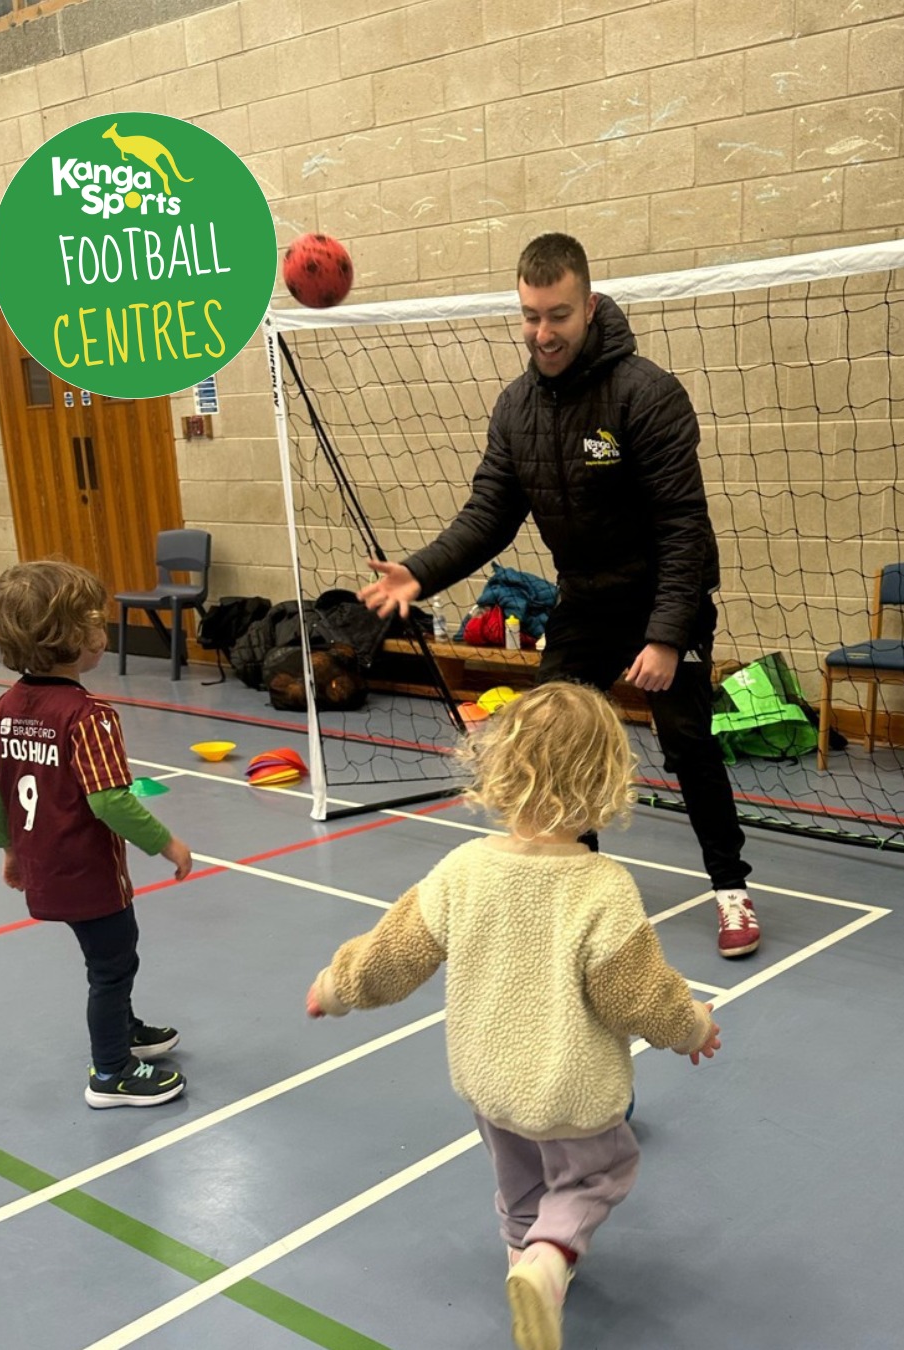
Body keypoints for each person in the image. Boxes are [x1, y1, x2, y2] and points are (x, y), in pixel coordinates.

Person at [358, 231, 759, 958]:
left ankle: (730, 889)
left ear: (590, 306)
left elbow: (683, 527)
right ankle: (581, 890)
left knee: (689, 745)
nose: (542, 333)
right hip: (585, 602)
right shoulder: (517, 408)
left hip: (668, 599)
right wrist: (419, 573)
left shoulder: (648, 394)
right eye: (530, 315)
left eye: (558, 316)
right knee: (553, 743)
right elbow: (488, 513)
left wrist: (667, 636)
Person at [306, 682, 721, 1350]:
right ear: (607, 781)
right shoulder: (601, 886)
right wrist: (693, 1027)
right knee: (597, 1174)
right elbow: (638, 995)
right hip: (571, 1086)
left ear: (497, 765)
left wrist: (337, 985)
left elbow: (395, 954)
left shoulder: (462, 868)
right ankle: (549, 1261)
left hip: (488, 1080)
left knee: (519, 1181)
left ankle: (522, 1260)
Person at [0, 560, 192, 1109]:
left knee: (105, 958)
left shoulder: (3, 709)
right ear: (76, 640)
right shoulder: (88, 715)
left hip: (44, 864)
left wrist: (9, 851)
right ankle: (112, 1071)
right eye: (96, 620)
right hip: (88, 870)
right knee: (113, 964)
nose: (105, 628)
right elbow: (110, 799)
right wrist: (166, 843)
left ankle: (123, 1031)